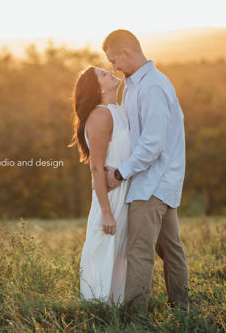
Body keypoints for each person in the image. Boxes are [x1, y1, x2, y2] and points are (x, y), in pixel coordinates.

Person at [102, 29, 189, 317]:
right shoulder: (131, 86)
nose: (113, 67)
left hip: (152, 183)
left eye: (114, 60)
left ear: (127, 53)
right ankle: (182, 308)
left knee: (139, 251)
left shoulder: (152, 86)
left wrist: (120, 173)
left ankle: (134, 318)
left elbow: (153, 143)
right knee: (171, 250)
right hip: (155, 182)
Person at [69, 65, 132, 304]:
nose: (110, 73)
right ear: (99, 88)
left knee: (120, 252)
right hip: (111, 196)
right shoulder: (100, 115)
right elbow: (96, 167)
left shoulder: (118, 110)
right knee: (107, 248)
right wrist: (106, 212)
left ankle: (118, 306)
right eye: (103, 74)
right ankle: (98, 308)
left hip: (125, 188)